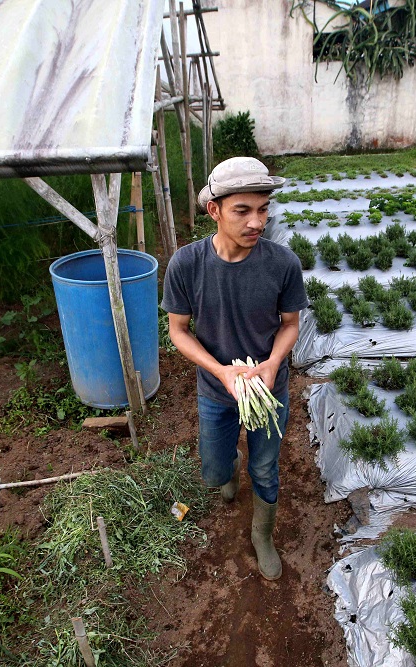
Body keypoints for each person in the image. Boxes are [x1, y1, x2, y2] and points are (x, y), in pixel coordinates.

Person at [161, 156, 309, 580]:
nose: (256, 222)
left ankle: (262, 534)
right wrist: (222, 372)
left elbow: (291, 325)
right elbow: (179, 332)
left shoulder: (282, 264)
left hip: (269, 386)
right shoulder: (186, 266)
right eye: (243, 210)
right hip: (215, 389)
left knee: (264, 466)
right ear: (215, 210)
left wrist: (272, 362)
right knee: (214, 468)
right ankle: (227, 471)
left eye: (263, 209)